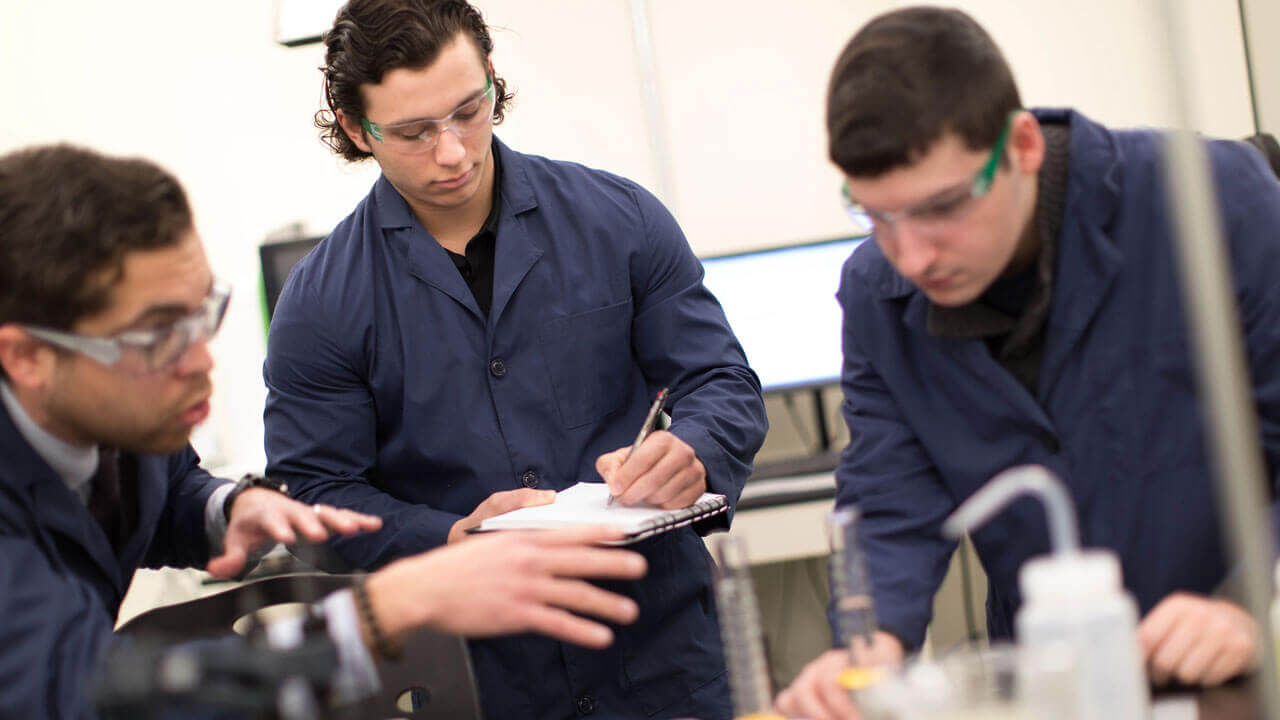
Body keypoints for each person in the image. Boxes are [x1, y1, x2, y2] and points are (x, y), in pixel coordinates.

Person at [0, 143, 649, 719]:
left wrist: (227, 507)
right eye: (160, 335)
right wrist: (381, 614)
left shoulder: (116, 412)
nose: (201, 360)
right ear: (26, 357)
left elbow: (165, 488)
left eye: (204, 315)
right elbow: (93, 694)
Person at [262, 0, 768, 716]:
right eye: (413, 131)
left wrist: (697, 448)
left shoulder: (620, 221)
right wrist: (449, 538)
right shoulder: (321, 305)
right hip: (481, 683)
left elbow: (722, 382)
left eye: (470, 110)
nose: (453, 152)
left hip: (663, 663)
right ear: (355, 127)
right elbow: (318, 495)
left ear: (494, 79)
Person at [775, 6, 1280, 719]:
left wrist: (1249, 606)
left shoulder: (1208, 200)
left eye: (943, 207)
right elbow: (891, 500)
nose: (913, 256)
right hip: (1056, 690)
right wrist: (872, 644)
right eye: (877, 216)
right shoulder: (877, 293)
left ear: (1020, 145)